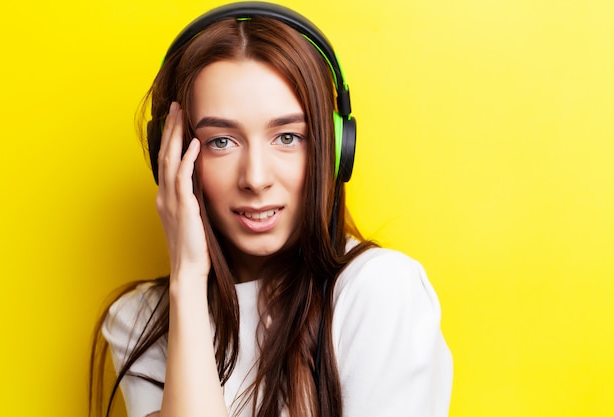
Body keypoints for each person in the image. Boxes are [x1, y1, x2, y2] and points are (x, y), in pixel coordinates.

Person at [89, 2, 453, 417]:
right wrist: (187, 279)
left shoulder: (379, 291)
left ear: (334, 150)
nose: (256, 178)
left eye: (287, 137)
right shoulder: (141, 319)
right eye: (221, 141)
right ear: (170, 158)